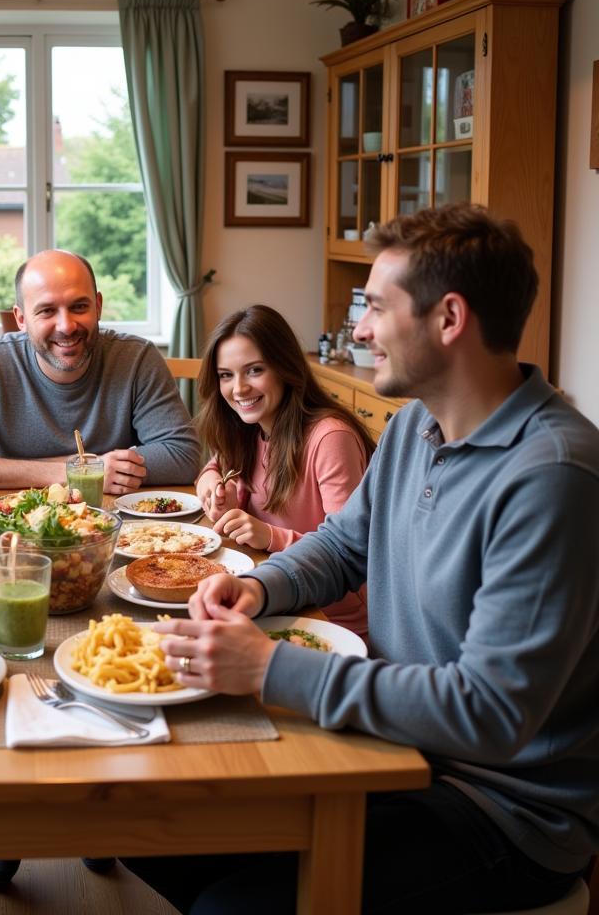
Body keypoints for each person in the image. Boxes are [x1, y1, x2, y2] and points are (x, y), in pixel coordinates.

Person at [125, 203, 599, 913]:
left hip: (499, 808)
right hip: (393, 746)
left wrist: (268, 667)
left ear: (449, 318)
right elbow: (345, 545)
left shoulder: (551, 475)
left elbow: (491, 714)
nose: (360, 329)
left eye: (376, 307)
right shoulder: (415, 429)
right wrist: (257, 587)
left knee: (230, 904)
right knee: (147, 819)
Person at [0, 249, 200, 493]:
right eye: (47, 311)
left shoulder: (137, 358)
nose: (66, 326)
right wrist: (77, 471)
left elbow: (183, 455)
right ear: (21, 319)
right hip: (14, 523)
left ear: (98, 306)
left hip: (115, 524)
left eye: (79, 306)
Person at [194, 305, 374, 636]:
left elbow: (352, 553)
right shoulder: (247, 427)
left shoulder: (330, 438)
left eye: (254, 370)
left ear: (284, 367)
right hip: (267, 595)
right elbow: (214, 465)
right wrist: (212, 483)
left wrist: (270, 536)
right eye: (226, 375)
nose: (238, 389)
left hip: (330, 619)